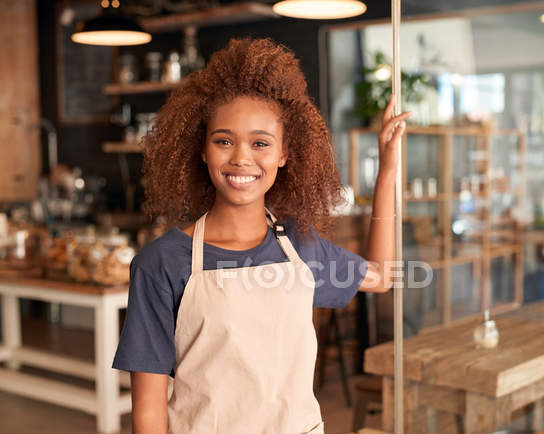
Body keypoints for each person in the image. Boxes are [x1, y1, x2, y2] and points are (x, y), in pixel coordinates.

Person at [112, 37, 411, 434]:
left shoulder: (301, 248)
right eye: (223, 140)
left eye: (260, 143)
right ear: (201, 149)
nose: (241, 158)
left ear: (285, 153)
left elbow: (382, 275)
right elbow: (148, 417)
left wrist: (387, 172)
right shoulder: (160, 264)